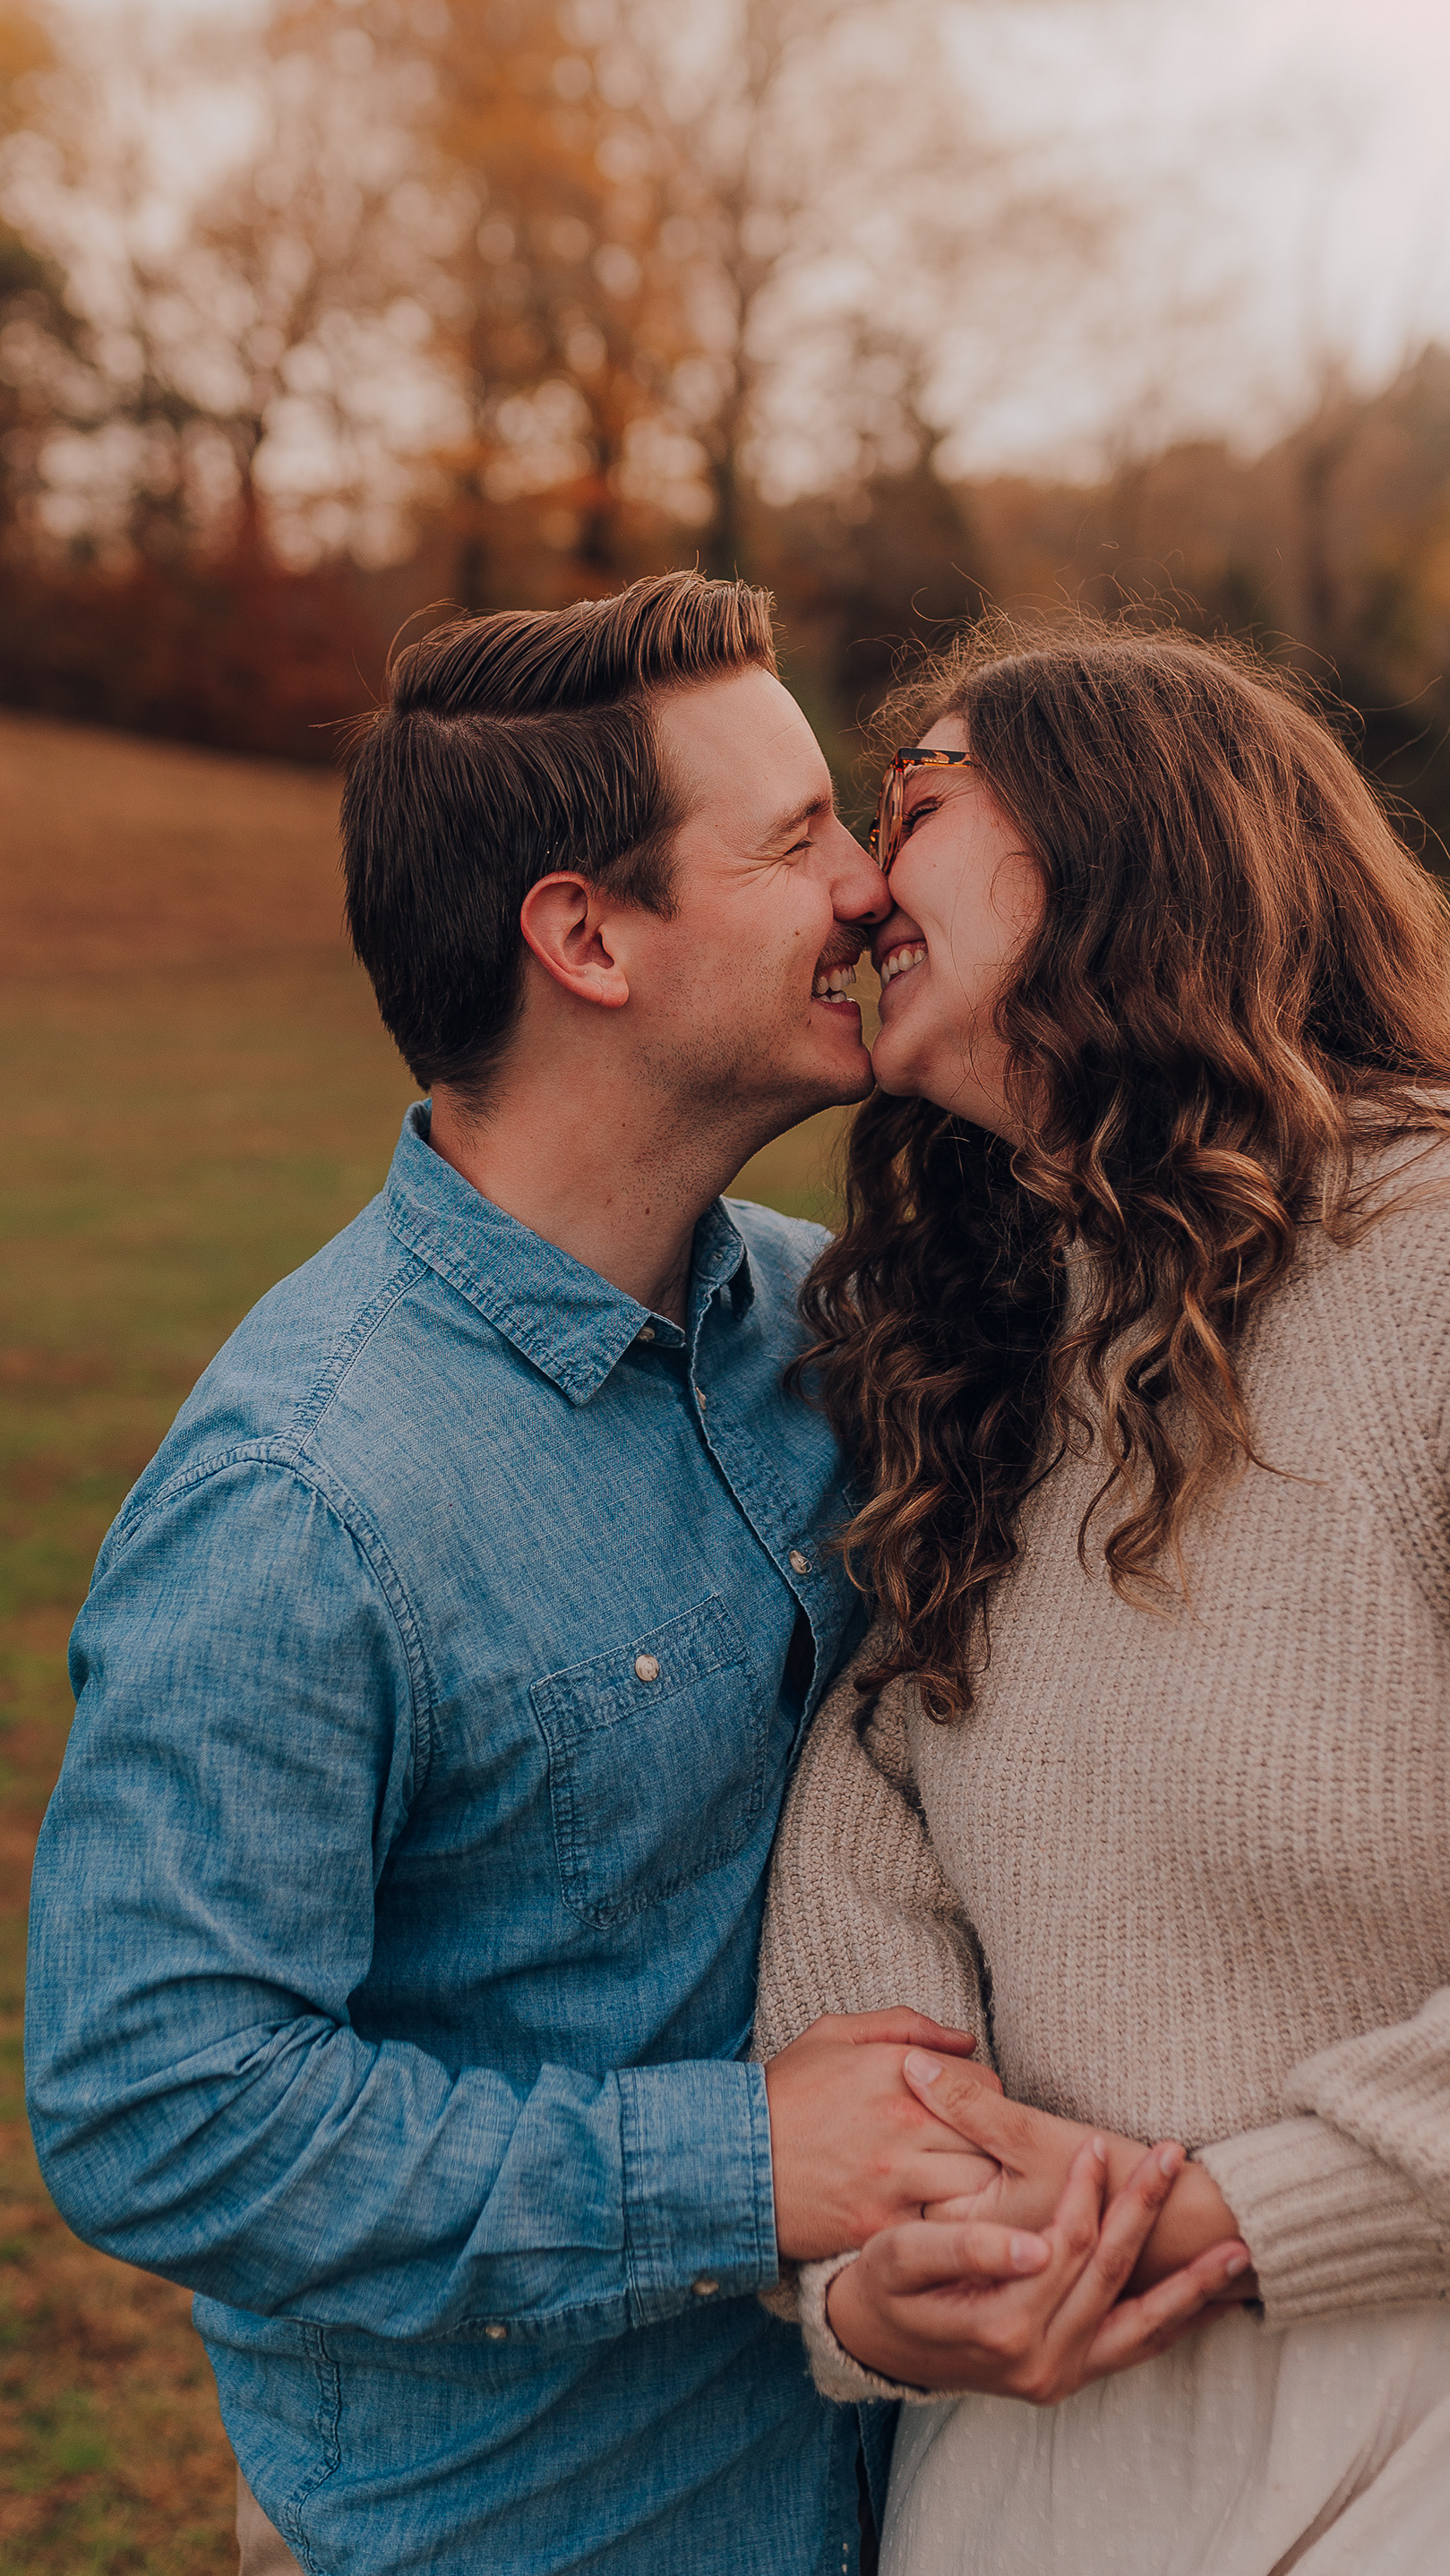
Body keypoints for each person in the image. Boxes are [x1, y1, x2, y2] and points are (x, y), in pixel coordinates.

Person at [24, 570, 1030, 2576]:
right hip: (528, 2529)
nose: (867, 887)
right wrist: (744, 2166)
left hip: (907, 2487)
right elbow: (162, 2102)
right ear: (585, 938)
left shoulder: (838, 1332)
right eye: (795, 841)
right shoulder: (304, 1497)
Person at [752, 620, 1450, 2572]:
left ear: (1123, 836)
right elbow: (870, 1869)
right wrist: (880, 2284)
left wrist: (1219, 2214)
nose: (860, 881)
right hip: (1039, 2465)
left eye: (915, 797)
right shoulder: (976, 1331)